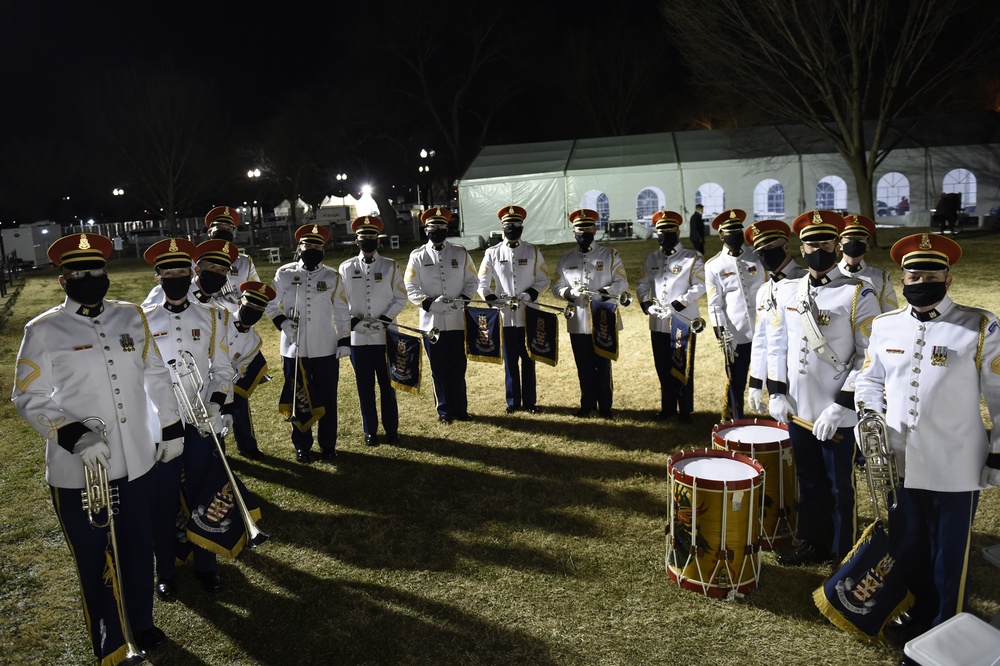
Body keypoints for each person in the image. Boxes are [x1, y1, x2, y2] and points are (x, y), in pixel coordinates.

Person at [12, 232, 184, 661]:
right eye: (78, 272)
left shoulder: (130, 316)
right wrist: (72, 435)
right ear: (62, 279)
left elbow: (156, 374)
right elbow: (28, 396)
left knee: (138, 548)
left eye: (96, 270)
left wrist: (172, 426)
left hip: (138, 460)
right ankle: (110, 639)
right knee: (95, 559)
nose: (89, 277)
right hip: (81, 472)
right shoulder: (44, 330)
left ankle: (141, 625)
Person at [856, 233, 1000, 630]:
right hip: (901, 462)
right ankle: (916, 616)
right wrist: (870, 419)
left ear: (948, 278)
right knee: (909, 545)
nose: (922, 282)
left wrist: (998, 453)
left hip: (957, 465)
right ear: (902, 280)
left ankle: (945, 627)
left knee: (949, 556)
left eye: (932, 273)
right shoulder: (885, 327)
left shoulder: (979, 325)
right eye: (914, 275)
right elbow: (868, 381)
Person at [766, 210, 881, 566]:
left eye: (826, 242)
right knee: (808, 479)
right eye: (811, 242)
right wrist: (775, 391)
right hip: (799, 407)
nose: (818, 248)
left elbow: (869, 357)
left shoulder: (858, 293)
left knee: (839, 486)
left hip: (835, 411)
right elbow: (777, 345)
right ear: (800, 247)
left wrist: (843, 406)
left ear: (837, 244)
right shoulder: (788, 290)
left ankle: (841, 549)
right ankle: (811, 541)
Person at [142, 237, 236, 597]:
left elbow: (223, 369)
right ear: (158, 277)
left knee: (203, 492)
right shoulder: (142, 320)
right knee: (163, 499)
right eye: (170, 272)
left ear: (192, 273)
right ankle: (165, 569)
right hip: (161, 425)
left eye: (183, 271)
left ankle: (207, 564)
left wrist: (215, 405)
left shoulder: (211, 316)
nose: (177, 277)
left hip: (201, 420)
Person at [265, 224, 351, 462]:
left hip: (325, 347)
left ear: (323, 249)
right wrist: (281, 321)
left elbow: (343, 311)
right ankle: (302, 444)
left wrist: (345, 340)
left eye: (316, 245)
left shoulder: (333, 277)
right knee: (298, 397)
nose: (311, 249)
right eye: (307, 245)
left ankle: (328, 444)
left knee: (327, 398)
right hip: (294, 349)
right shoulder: (284, 273)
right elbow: (269, 302)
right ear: (299, 247)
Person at [404, 207, 479, 423]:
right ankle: (444, 410)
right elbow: (410, 287)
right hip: (432, 323)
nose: (437, 230)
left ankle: (460, 408)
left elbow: (472, 280)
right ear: (425, 229)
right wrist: (429, 303)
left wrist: (463, 299)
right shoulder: (417, 256)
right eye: (432, 227)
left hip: (456, 320)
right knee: (438, 368)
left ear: (447, 228)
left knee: (458, 365)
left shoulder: (460, 252)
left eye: (441, 227)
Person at [552, 208, 629, 419]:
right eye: (579, 228)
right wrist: (569, 292)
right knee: (583, 365)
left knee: (603, 365)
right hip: (578, 320)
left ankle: (605, 406)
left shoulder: (609, 254)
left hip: (603, 318)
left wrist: (604, 293)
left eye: (587, 227)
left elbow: (622, 282)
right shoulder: (566, 258)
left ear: (595, 229)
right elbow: (556, 286)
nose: (583, 231)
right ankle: (586, 404)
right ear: (573, 231)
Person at [339, 216, 407, 445]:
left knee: (388, 386)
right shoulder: (346, 267)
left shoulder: (390, 266)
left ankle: (391, 429)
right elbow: (339, 302)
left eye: (371, 237)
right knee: (364, 387)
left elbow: (401, 297)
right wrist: (352, 323)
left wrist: (385, 320)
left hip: (385, 336)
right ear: (356, 240)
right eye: (363, 237)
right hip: (358, 338)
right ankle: (370, 430)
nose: (367, 241)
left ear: (378, 240)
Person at [476, 205, 551, 414]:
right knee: (509, 360)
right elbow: (481, 283)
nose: (512, 227)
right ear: (502, 227)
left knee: (529, 359)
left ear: (522, 226)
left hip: (529, 313)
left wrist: (529, 295)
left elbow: (544, 279)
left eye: (516, 224)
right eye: (508, 224)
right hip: (505, 316)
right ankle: (512, 402)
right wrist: (492, 299)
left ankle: (530, 402)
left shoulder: (533, 251)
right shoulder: (492, 253)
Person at [636, 210, 706, 422]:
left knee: (682, 365)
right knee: (662, 365)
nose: (665, 234)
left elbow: (701, 285)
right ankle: (667, 408)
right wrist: (646, 303)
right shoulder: (652, 258)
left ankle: (684, 411)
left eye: (669, 230)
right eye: (661, 231)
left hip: (682, 321)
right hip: (658, 322)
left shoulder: (692, 257)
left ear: (678, 232)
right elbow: (642, 283)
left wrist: (679, 303)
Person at [704, 209, 765, 420]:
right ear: (721, 236)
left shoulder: (758, 256)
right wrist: (721, 331)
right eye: (730, 232)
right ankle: (736, 419)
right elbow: (714, 304)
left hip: (764, 329)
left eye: (738, 230)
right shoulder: (714, 266)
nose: (735, 235)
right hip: (736, 334)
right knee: (737, 380)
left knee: (775, 376)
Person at [742, 220, 808, 415]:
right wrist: (756, 382)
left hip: (803, 374)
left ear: (786, 247)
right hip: (776, 376)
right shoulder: (764, 291)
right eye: (760, 251)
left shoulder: (805, 282)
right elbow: (761, 339)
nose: (765, 254)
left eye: (770, 247)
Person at [204, 205, 260, 314]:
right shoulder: (197, 261)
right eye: (220, 228)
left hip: (236, 319)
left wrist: (244, 303)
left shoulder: (244, 262)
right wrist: (216, 302)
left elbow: (255, 290)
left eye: (228, 229)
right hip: (208, 319)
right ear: (210, 232)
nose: (225, 231)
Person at [839, 214, 898, 312]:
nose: (854, 243)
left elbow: (890, 314)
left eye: (859, 239)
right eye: (849, 239)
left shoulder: (881, 278)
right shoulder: (831, 275)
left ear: (867, 246)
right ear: (840, 245)